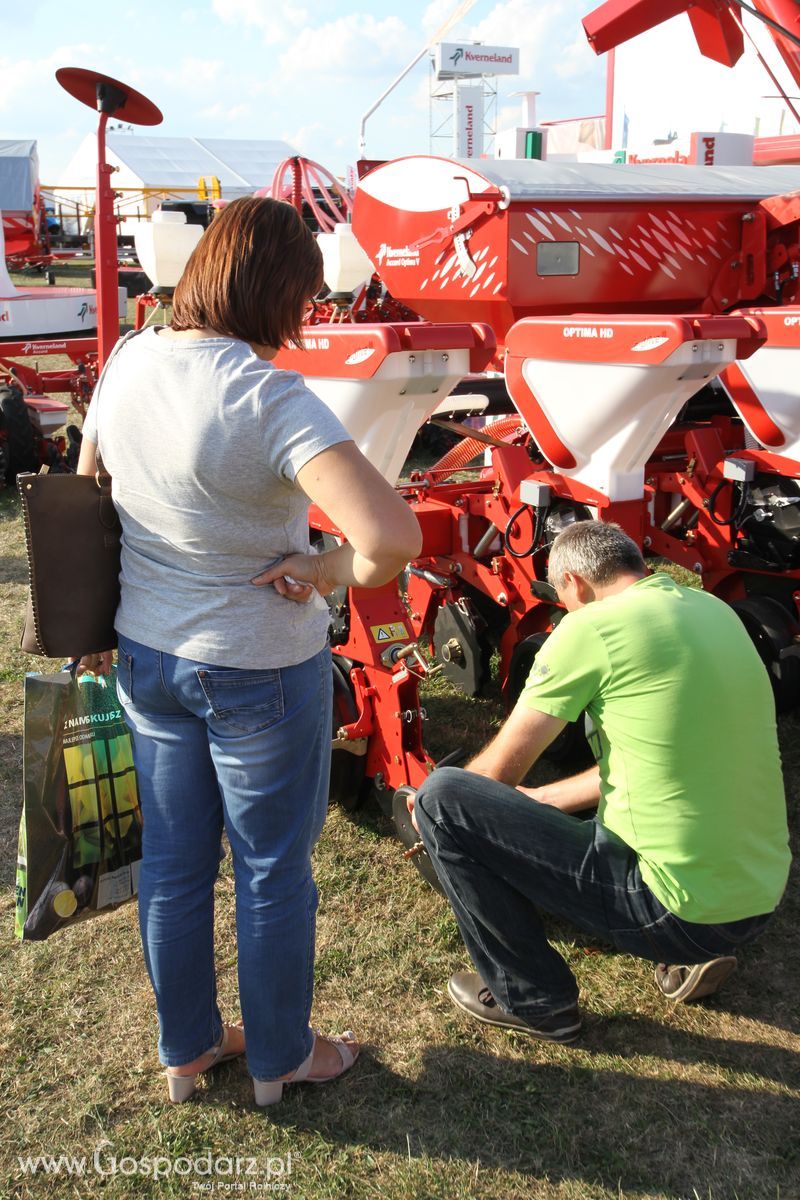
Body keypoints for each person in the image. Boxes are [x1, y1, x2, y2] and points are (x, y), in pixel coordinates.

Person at [76, 196, 422, 1104]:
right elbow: (393, 539)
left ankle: (187, 1049)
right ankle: (279, 1057)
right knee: (273, 869)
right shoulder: (267, 393)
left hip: (148, 652)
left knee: (177, 863)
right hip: (259, 664)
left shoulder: (127, 361)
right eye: (305, 299)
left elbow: (86, 487)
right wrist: (325, 566)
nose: (308, 319)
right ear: (279, 294)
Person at [409, 520, 791, 1042]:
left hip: (675, 911)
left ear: (574, 584)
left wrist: (439, 813)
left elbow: (497, 775)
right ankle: (688, 949)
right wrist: (542, 799)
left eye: (561, 597)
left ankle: (536, 1000)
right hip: (757, 895)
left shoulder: (591, 627)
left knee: (441, 799)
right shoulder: (713, 611)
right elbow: (656, 756)